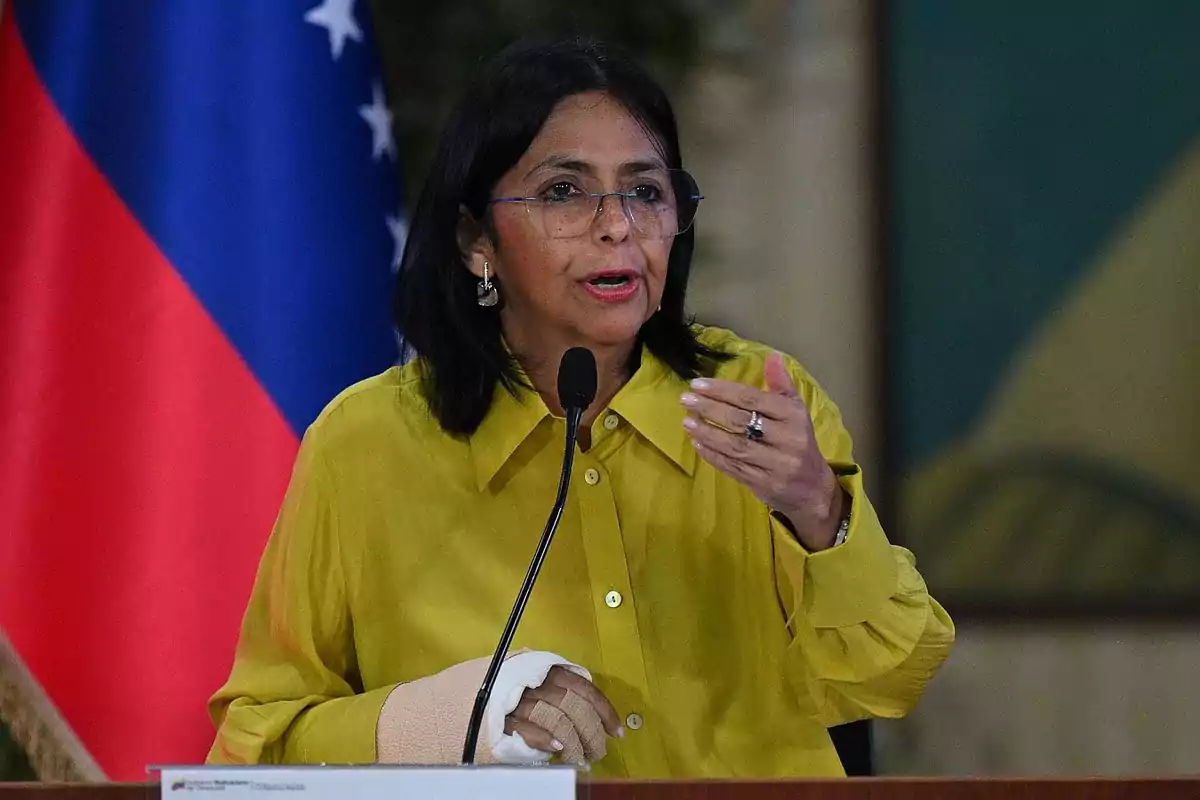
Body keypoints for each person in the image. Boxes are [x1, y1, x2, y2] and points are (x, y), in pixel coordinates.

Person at [207, 36, 954, 778]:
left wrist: (819, 511)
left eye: (645, 191)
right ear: (476, 240)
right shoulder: (367, 444)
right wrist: (462, 716)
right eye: (564, 191)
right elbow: (260, 742)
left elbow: (891, 680)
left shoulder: (761, 402)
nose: (617, 226)